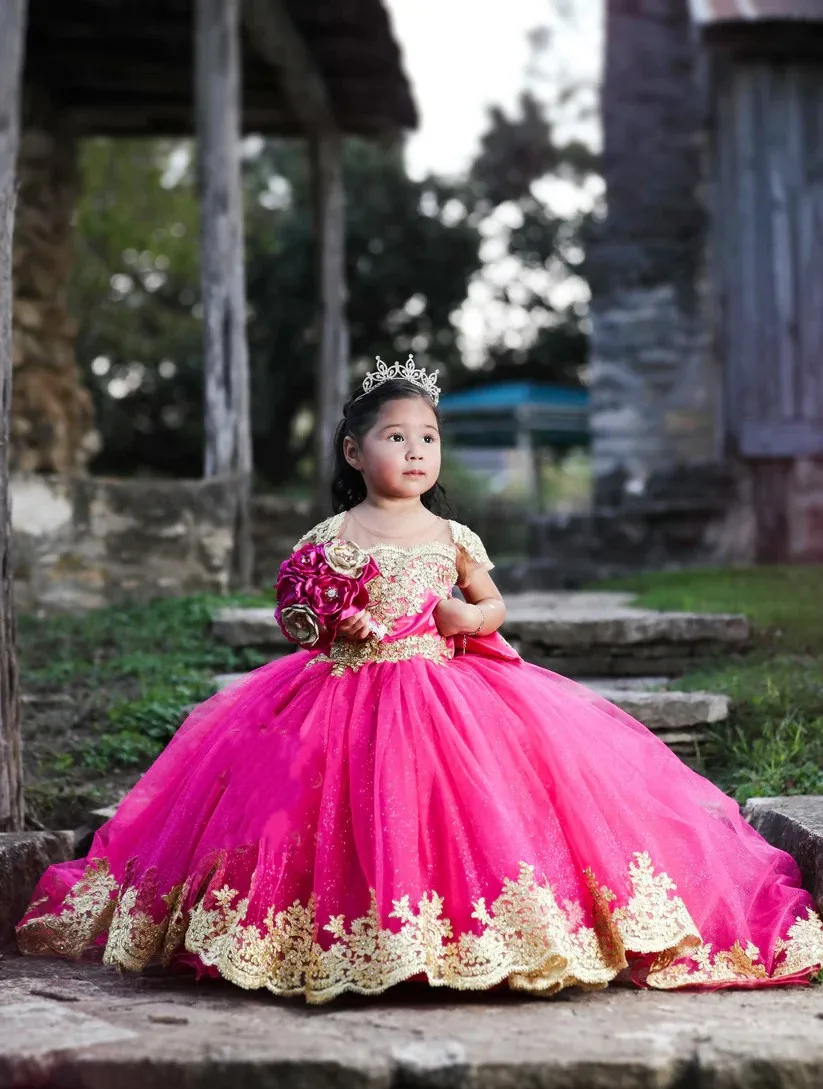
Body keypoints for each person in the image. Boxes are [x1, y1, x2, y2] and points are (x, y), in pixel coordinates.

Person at [16, 356, 823, 1002]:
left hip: (444, 691)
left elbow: (492, 604)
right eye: (395, 437)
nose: (413, 452)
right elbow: (294, 610)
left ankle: (479, 935)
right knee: (329, 812)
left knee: (453, 810)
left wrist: (464, 620)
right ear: (353, 451)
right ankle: (334, 936)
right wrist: (329, 624)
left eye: (427, 438)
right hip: (340, 691)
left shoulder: (450, 533)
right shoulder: (331, 534)